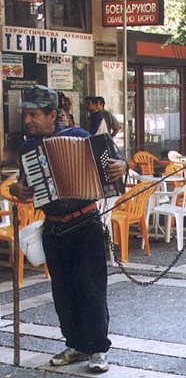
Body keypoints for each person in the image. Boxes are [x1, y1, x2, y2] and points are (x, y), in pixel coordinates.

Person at [10, 85, 127, 373]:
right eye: (26, 115)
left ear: (53, 114)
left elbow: (116, 162)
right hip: (53, 229)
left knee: (91, 290)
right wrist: (18, 190)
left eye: (34, 115)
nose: (28, 121)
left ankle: (98, 349)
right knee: (63, 293)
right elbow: (25, 187)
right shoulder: (28, 148)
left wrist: (120, 167)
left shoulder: (82, 138)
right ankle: (75, 344)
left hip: (85, 225)